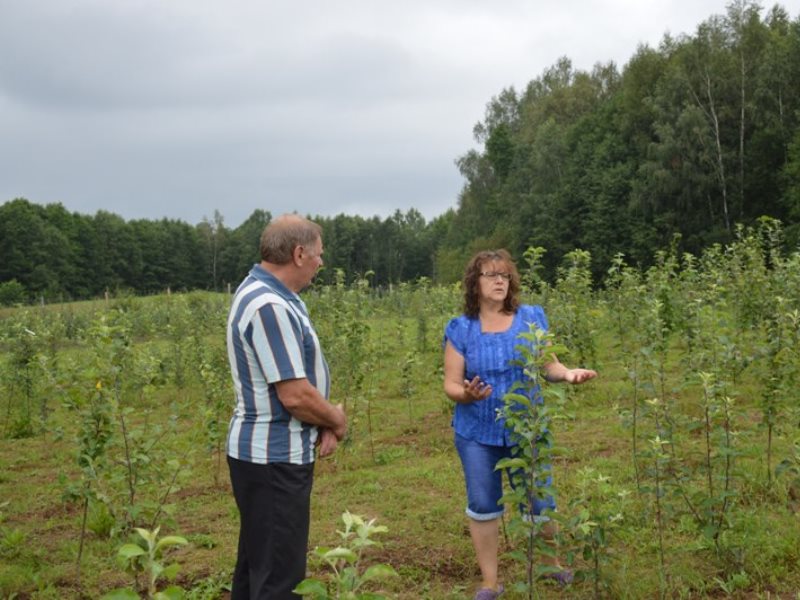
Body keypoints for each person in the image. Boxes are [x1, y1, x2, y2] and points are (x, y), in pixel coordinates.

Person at [443, 249, 597, 600]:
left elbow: (549, 366)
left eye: (505, 275)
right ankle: (489, 582)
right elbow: (451, 383)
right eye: (491, 275)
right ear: (474, 283)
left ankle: (550, 565)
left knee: (539, 500)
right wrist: (466, 395)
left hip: (527, 429)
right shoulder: (462, 328)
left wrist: (567, 374)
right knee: (483, 502)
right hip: (476, 433)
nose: (500, 280)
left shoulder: (531, 319)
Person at [226, 214, 347, 599]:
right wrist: (336, 418)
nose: (320, 263)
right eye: (318, 255)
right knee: (279, 578)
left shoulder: (274, 296)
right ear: (299, 254)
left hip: (268, 456)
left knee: (258, 566)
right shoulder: (267, 305)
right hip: (273, 460)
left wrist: (321, 419)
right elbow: (294, 395)